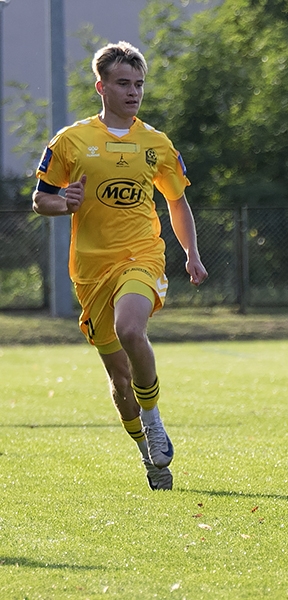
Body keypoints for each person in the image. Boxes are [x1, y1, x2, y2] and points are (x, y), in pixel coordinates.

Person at [32, 41, 207, 491]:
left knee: (133, 329)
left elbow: (177, 201)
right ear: (102, 86)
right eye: (124, 83)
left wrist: (191, 253)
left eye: (139, 84)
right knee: (119, 379)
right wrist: (63, 202)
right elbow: (41, 200)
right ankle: (147, 452)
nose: (133, 92)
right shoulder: (71, 141)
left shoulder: (157, 144)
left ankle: (154, 418)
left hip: (142, 257)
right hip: (91, 270)